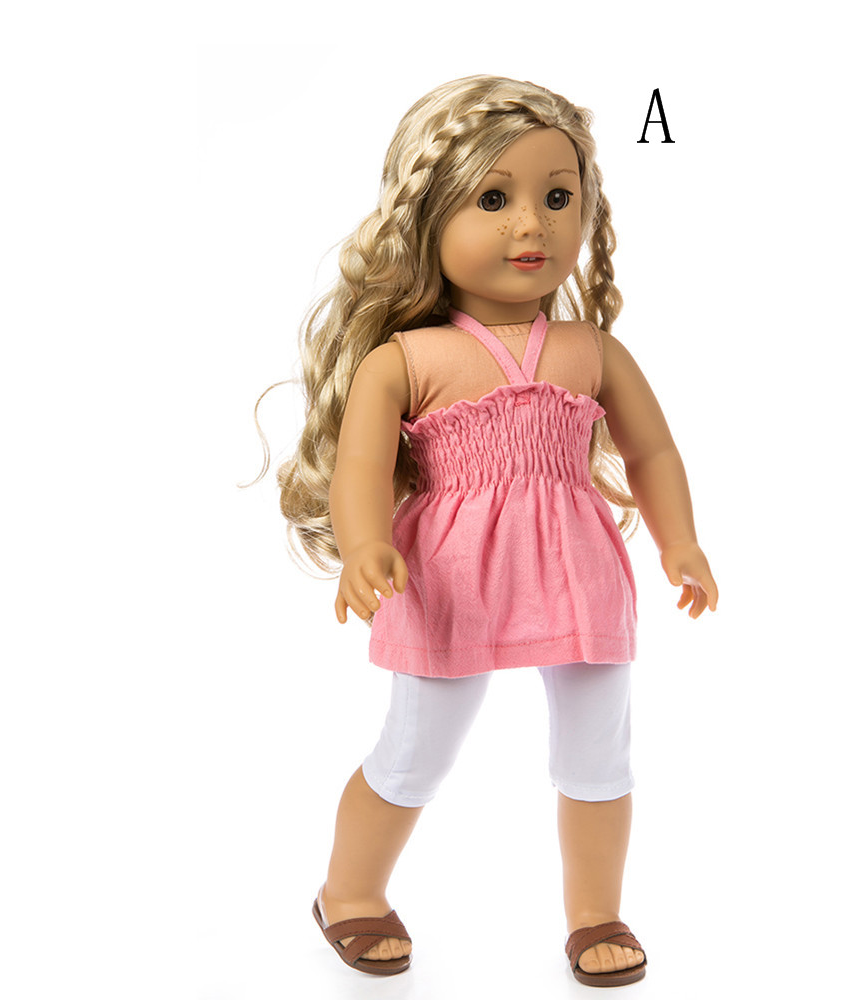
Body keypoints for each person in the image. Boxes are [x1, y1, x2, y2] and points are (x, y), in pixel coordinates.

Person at [269, 75, 718, 987]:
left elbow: (653, 450)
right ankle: (349, 892)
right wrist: (364, 545)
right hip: (447, 579)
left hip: (579, 572)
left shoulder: (592, 350)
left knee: (599, 753)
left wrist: (681, 541)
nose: (531, 225)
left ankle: (595, 913)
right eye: (493, 199)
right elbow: (361, 469)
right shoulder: (405, 359)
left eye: (558, 197)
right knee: (417, 749)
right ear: (428, 216)